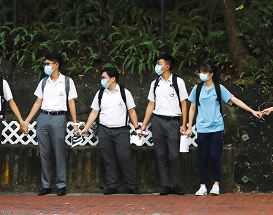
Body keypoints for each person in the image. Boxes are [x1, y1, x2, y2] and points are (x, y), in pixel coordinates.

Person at [185, 60, 263, 196]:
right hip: (202, 127)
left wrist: (251, 110)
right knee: (202, 156)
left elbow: (234, 100)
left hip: (216, 127)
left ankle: (216, 184)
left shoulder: (218, 88)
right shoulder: (196, 89)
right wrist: (189, 127)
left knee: (215, 155)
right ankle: (202, 185)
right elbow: (192, 108)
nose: (201, 75)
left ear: (211, 74)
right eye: (200, 72)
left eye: (204, 72)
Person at [20, 52, 79, 196]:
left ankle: (61, 185)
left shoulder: (67, 81)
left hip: (59, 118)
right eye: (45, 63)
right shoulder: (43, 82)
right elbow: (37, 102)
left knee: (59, 152)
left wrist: (75, 122)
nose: (46, 66)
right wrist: (26, 121)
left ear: (56, 65)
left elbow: (71, 102)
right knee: (44, 153)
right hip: (44, 117)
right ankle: (45, 185)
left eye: (48, 64)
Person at [80, 66, 142, 194]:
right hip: (104, 130)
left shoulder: (125, 93)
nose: (102, 80)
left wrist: (137, 128)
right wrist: (86, 128)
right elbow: (94, 112)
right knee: (108, 159)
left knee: (125, 157)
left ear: (113, 79)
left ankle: (131, 185)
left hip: (121, 130)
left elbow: (131, 111)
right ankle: (112, 185)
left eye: (104, 78)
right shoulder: (100, 93)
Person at [140, 53, 189, 195]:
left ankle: (175, 183)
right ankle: (165, 184)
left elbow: (184, 103)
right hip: (157, 121)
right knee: (160, 154)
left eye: (159, 63)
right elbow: (151, 104)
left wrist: (184, 123)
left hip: (173, 121)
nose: (157, 66)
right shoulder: (155, 83)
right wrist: (144, 123)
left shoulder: (178, 81)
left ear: (167, 66)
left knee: (174, 155)